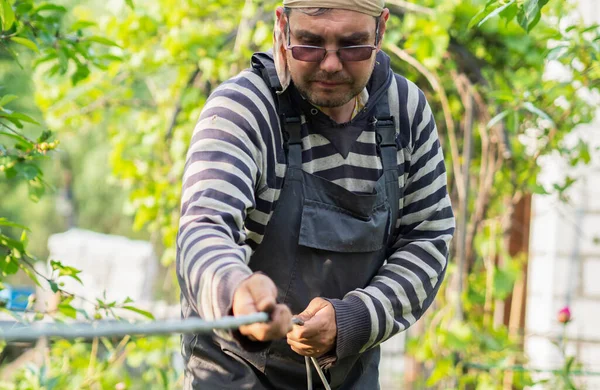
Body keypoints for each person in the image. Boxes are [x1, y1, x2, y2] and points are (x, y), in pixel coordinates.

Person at [177, 0, 455, 388]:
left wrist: (353, 318)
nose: (330, 64)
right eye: (308, 44)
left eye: (353, 46)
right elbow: (204, 227)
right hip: (234, 370)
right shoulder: (244, 109)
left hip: (348, 371)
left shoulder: (405, 112)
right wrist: (236, 291)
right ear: (282, 26)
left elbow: (428, 236)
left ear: (381, 30)